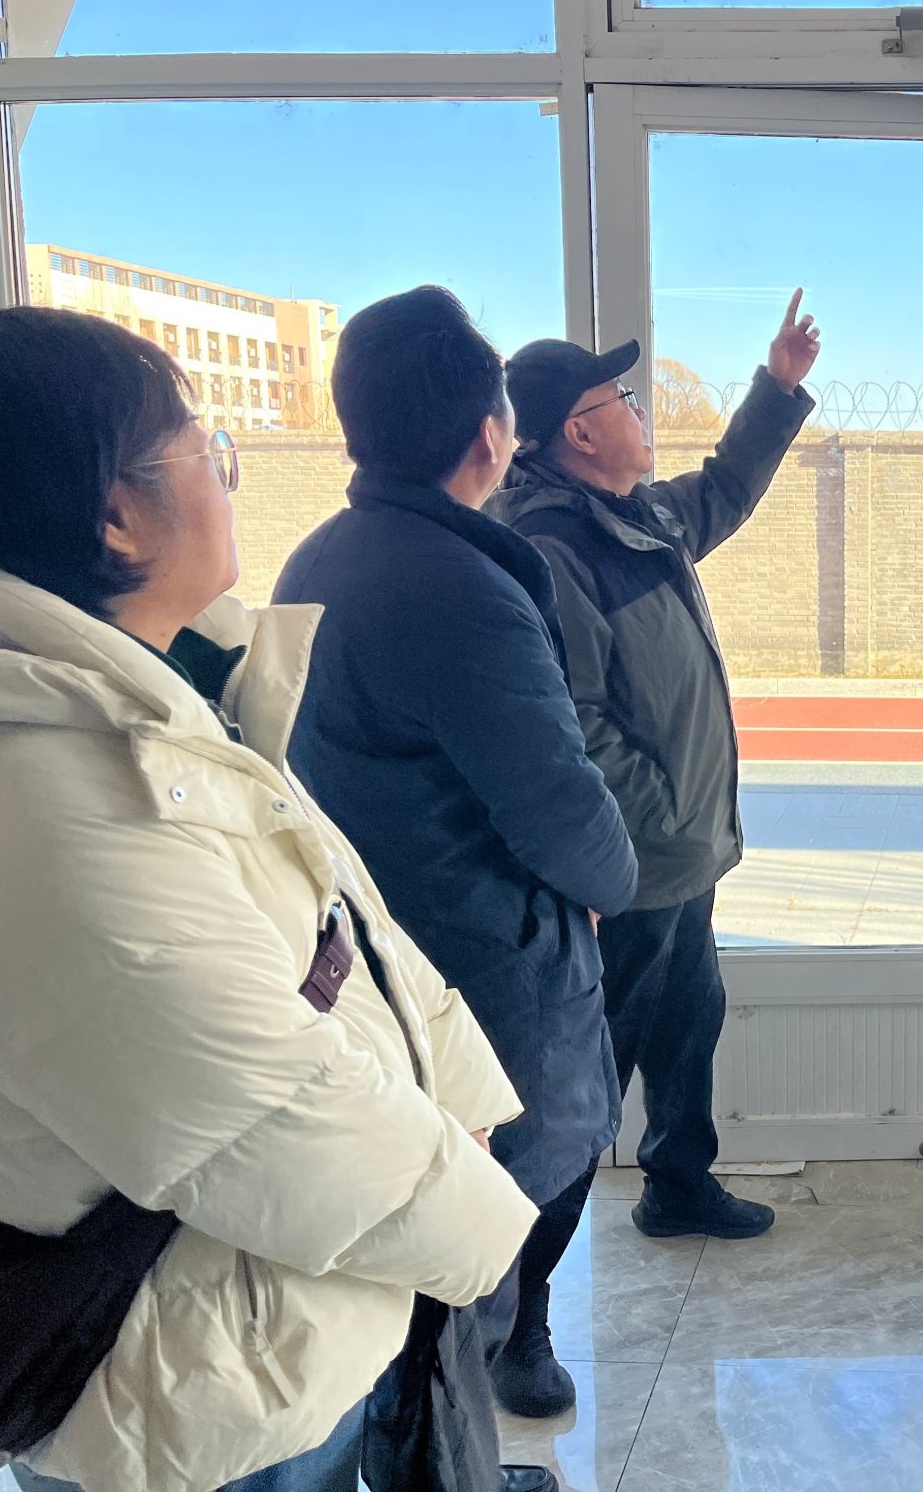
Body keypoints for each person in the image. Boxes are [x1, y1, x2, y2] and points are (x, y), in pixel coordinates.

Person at [0, 307, 537, 1491]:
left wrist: (459, 1099)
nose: (227, 476)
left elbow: (338, 919)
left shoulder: (142, 688)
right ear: (116, 515)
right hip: (194, 1396)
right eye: (207, 446)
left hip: (261, 1308)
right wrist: (486, 1224)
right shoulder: (33, 805)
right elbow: (264, 1116)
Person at [275, 287, 639, 1424]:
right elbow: (560, 805)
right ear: (491, 436)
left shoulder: (320, 557)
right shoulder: (462, 587)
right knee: (463, 1278)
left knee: (425, 1272)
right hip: (483, 983)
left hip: (382, 961)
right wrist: (612, 884)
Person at [490, 290, 820, 1244]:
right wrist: (662, 823)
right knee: (593, 1076)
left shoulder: (635, 517)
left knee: (688, 1024)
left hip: (678, 858)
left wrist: (777, 389)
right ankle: (522, 1285)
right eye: (621, 401)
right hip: (635, 866)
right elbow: (577, 725)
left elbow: (724, 487)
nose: (640, 413)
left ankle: (677, 1184)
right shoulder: (555, 548)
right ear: (578, 434)